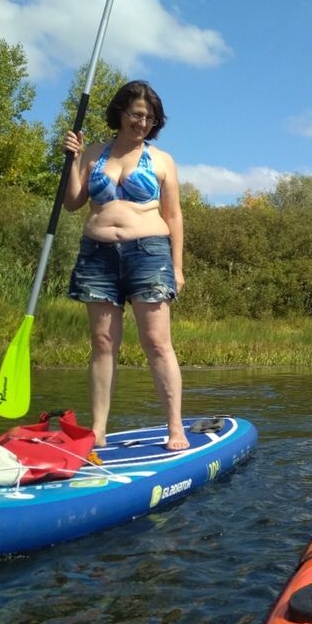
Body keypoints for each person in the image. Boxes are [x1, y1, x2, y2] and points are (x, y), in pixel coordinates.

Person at [62, 80, 188, 450]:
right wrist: (72, 159)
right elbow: (72, 202)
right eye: (137, 114)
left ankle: (175, 428)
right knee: (102, 342)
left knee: (157, 343)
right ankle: (98, 429)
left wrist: (177, 268)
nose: (143, 122)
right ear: (120, 113)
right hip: (97, 255)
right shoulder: (93, 154)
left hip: (148, 253)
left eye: (150, 118)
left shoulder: (162, 160)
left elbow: (174, 216)